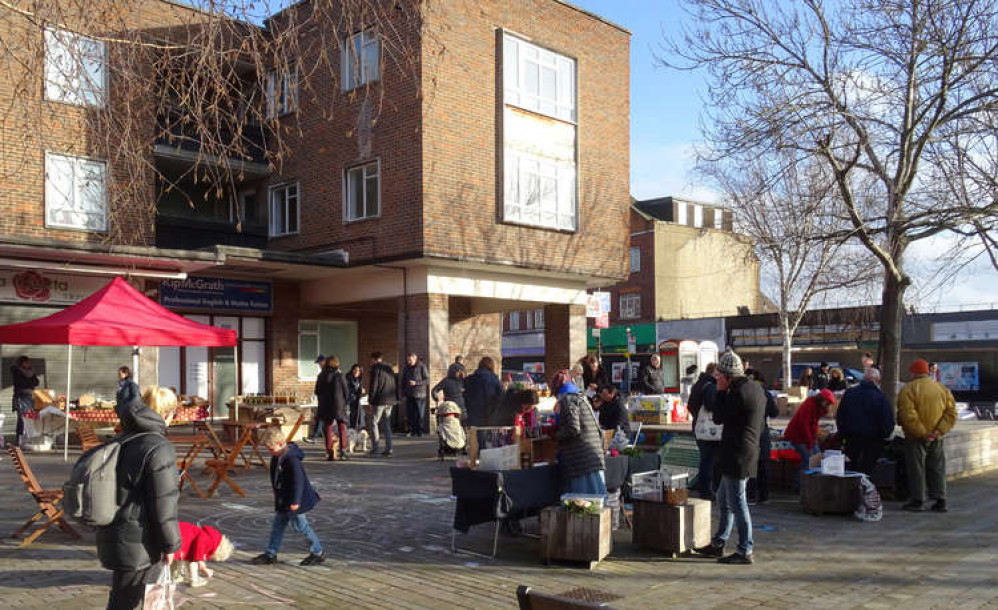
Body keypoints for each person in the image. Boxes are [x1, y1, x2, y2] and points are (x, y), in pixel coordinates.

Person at [97, 386, 180, 609]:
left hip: (114, 529)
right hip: (139, 538)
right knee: (126, 601)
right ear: (167, 415)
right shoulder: (159, 447)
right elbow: (164, 505)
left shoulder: (123, 437)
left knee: (123, 597)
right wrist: (171, 545)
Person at [694, 350, 765, 565]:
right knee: (724, 499)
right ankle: (719, 542)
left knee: (737, 502)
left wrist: (721, 392)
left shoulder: (736, 393)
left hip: (737, 453)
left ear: (728, 377)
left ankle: (745, 549)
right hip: (743, 450)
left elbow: (718, 417)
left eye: (719, 377)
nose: (717, 380)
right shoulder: (755, 388)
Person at [251, 427, 324, 566]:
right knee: (278, 526)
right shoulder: (277, 457)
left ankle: (317, 552)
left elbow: (298, 482)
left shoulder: (291, 460)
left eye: (271, 448)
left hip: (295, 502)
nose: (269, 452)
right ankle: (271, 553)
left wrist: (295, 501)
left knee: (301, 527)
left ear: (280, 444)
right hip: (284, 501)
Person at [896, 359, 957, 512]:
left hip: (915, 437)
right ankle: (940, 499)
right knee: (937, 467)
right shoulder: (942, 389)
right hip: (936, 436)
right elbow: (951, 413)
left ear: (913, 372)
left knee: (917, 468)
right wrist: (937, 431)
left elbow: (908, 415)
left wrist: (923, 434)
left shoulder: (908, 389)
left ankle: (918, 500)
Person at [550, 369, 606, 495]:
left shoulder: (568, 399)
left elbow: (573, 428)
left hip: (580, 460)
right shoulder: (581, 397)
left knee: (584, 503)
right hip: (592, 455)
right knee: (598, 501)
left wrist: (556, 436)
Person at [835, 367, 894, 476]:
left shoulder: (850, 393)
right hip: (873, 440)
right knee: (868, 470)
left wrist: (842, 434)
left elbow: (840, 416)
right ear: (876, 380)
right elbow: (887, 420)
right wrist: (885, 435)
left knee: (852, 469)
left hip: (851, 439)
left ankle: (851, 491)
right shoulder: (880, 398)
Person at [784, 388, 836, 486]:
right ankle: (800, 485)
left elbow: (814, 424)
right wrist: (810, 441)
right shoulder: (809, 404)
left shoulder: (819, 407)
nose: (827, 405)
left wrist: (813, 439)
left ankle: (810, 483)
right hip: (797, 436)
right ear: (822, 399)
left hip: (806, 436)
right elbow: (804, 425)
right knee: (808, 459)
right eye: (827, 402)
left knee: (817, 457)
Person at [747, 371, 779, 505]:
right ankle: (764, 495)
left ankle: (751, 495)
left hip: (749, 432)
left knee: (750, 464)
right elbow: (774, 412)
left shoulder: (745, 391)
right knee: (764, 463)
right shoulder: (765, 392)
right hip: (762, 430)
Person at [688, 363, 719, 498]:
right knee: (709, 461)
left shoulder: (697, 384)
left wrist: (696, 416)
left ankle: (705, 489)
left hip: (698, 427)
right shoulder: (710, 386)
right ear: (714, 373)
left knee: (705, 459)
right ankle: (707, 491)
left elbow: (690, 405)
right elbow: (711, 405)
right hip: (710, 431)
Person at [170, 522, 234, 587]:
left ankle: (175, 575)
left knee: (176, 557)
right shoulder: (210, 541)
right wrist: (200, 561)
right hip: (179, 536)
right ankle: (194, 580)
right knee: (193, 560)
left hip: (175, 532)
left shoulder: (211, 537)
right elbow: (200, 543)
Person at [315, 356, 349, 461]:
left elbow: (317, 391)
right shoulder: (339, 376)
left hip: (326, 406)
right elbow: (346, 391)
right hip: (338, 406)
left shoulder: (321, 376)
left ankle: (329, 452)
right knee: (342, 428)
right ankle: (343, 451)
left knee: (328, 429)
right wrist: (345, 402)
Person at [366, 352, 397, 457]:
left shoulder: (375, 369)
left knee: (374, 422)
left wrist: (370, 400)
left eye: (371, 360)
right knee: (387, 423)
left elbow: (373, 386)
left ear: (374, 359)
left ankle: (376, 447)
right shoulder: (389, 369)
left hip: (380, 400)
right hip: (390, 400)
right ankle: (389, 448)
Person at [463, 356, 502, 427]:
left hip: (473, 413)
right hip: (490, 413)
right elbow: (500, 395)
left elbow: (464, 394)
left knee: (474, 435)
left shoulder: (470, 379)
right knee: (488, 435)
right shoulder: (494, 379)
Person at [10, 356, 38, 446]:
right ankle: (19, 439)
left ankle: (27, 439)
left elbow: (36, 382)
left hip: (30, 396)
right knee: (21, 419)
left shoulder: (31, 371)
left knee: (30, 418)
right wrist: (30, 382)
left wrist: (29, 382)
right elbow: (21, 383)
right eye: (27, 362)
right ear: (22, 363)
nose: (29, 364)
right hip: (21, 396)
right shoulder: (17, 371)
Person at [401, 353, 430, 437]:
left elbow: (427, 380)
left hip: (420, 395)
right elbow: (403, 381)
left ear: (415, 359)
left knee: (419, 414)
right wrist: (403, 394)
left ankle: (420, 431)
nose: (409, 361)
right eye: (408, 360)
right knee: (410, 414)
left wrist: (416, 383)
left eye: (410, 360)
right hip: (409, 394)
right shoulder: (406, 368)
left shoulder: (421, 366)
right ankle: (411, 431)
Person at [346, 364, 365, 430]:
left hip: (357, 400)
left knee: (360, 415)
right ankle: (352, 430)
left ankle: (357, 430)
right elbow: (347, 389)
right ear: (352, 370)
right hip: (350, 401)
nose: (357, 372)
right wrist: (359, 390)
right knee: (352, 416)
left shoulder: (359, 379)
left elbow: (360, 389)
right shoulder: (348, 377)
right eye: (355, 370)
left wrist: (361, 391)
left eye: (359, 371)